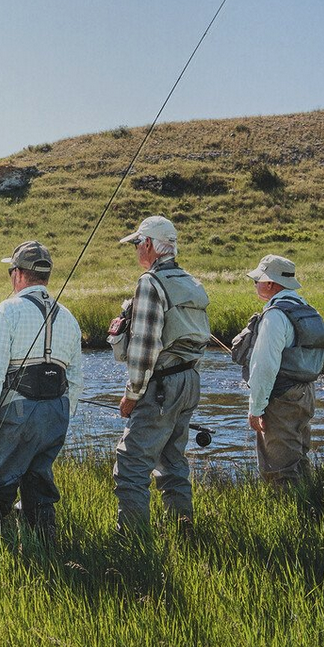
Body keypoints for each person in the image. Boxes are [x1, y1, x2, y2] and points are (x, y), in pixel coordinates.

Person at [0, 240, 83, 539]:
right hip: (56, 414)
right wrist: (62, 416)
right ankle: (45, 546)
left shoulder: (7, 311)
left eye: (11, 272)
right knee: (39, 483)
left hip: (17, 413)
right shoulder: (69, 318)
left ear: (18, 274)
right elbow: (75, 380)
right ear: (45, 276)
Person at [107, 215, 210, 532]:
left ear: (149, 244)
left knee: (131, 464)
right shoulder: (191, 282)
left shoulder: (150, 283)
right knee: (173, 462)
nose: (136, 249)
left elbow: (145, 348)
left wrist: (132, 394)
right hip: (189, 382)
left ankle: (133, 541)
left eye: (137, 243)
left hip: (160, 387)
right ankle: (183, 532)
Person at [231, 254, 324, 486]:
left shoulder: (275, 316)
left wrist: (256, 409)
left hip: (281, 398)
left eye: (257, 280)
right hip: (305, 393)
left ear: (270, 283)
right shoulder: (304, 307)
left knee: (279, 471)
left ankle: (291, 507)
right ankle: (310, 503)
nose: (255, 284)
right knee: (299, 460)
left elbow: (265, 367)